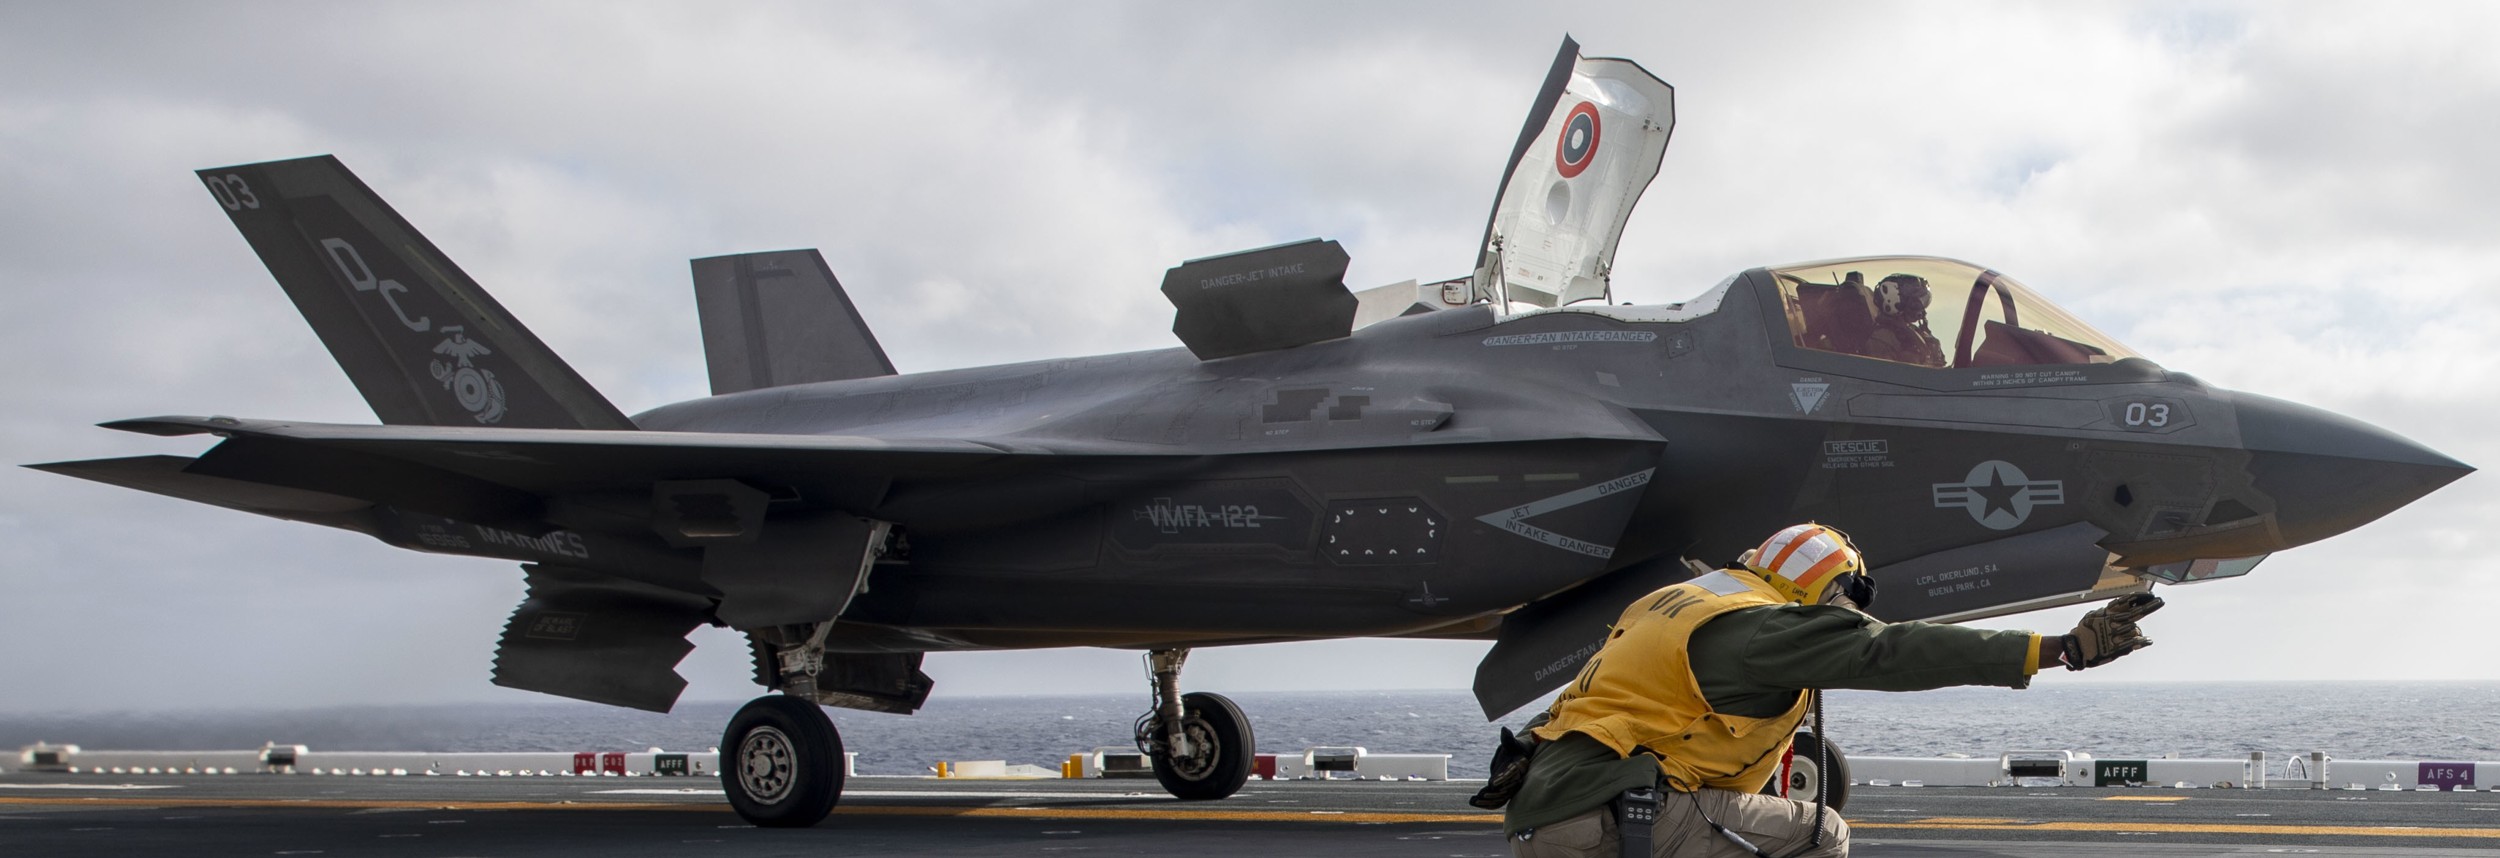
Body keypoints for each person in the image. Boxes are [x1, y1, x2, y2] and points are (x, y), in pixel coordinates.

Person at [1491, 523, 2162, 858]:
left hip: (1542, 813)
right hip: (1618, 813)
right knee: (1822, 833)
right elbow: (1892, 650)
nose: (1851, 613)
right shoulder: (1766, 627)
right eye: (1848, 598)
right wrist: (2061, 650)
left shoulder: (1674, 603)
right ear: (1823, 588)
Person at [1861, 274, 1947, 367]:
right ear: (1893, 300)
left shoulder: (1914, 332)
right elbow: (1885, 375)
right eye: (1916, 303)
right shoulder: (1882, 337)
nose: (1921, 309)